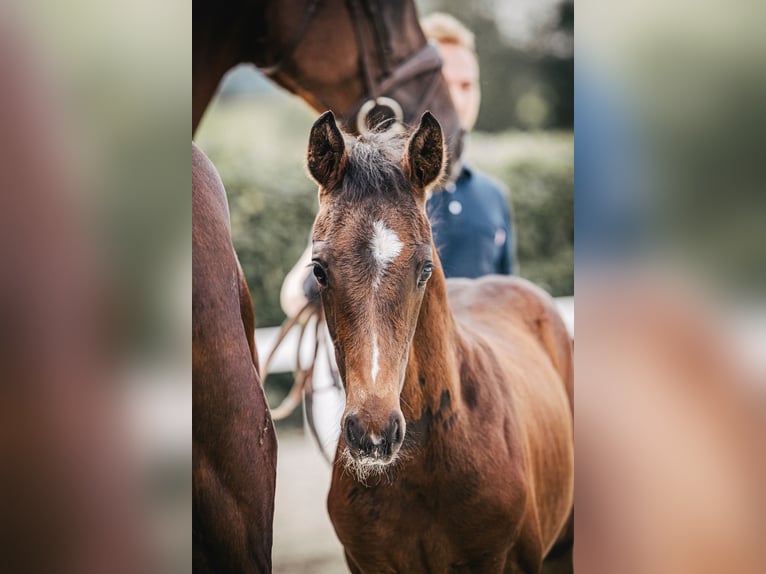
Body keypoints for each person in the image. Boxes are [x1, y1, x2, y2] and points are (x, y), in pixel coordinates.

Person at [420, 12, 516, 278]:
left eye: (467, 85)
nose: (458, 99)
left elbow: (506, 298)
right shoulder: (379, 191)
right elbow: (301, 291)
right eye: (444, 84)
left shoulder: (494, 196)